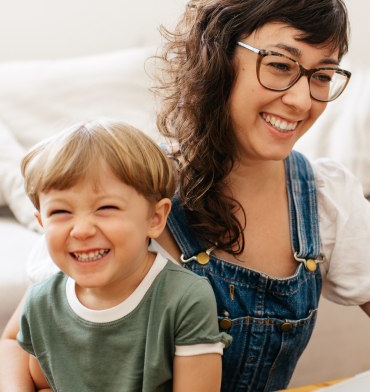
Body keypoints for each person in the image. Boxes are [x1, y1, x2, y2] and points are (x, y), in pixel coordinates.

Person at [1, 0, 370, 391]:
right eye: (279, 65)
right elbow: (16, 343)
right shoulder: (129, 180)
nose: (300, 100)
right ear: (219, 58)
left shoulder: (327, 200)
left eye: (322, 76)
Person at [14, 119, 231, 392]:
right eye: (60, 212)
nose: (81, 230)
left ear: (154, 218)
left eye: (106, 207)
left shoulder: (185, 298)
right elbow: (44, 385)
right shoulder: (40, 302)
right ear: (42, 222)